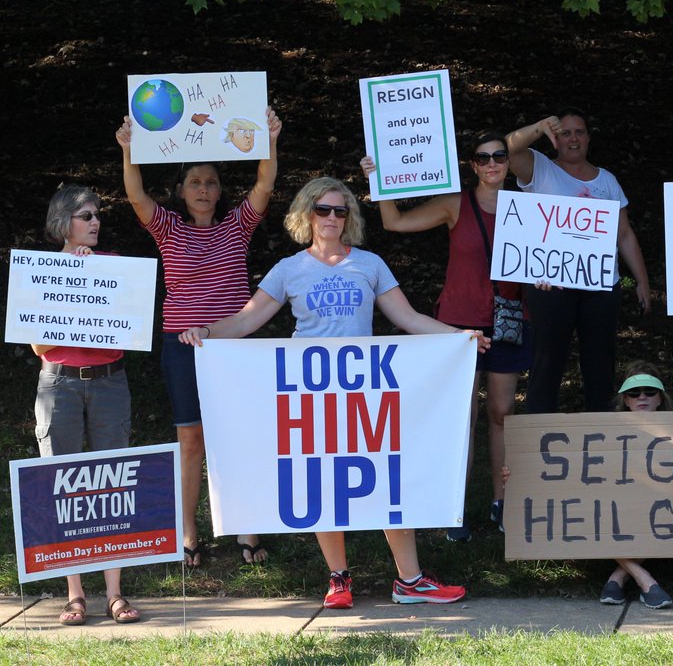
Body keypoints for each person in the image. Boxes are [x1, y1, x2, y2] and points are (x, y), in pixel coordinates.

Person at [179, 177, 486, 609]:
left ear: (349, 218)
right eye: (323, 210)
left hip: (364, 393)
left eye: (340, 211)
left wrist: (460, 336)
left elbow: (410, 319)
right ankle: (338, 579)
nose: (331, 218)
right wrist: (206, 332)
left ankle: (410, 581)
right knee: (323, 483)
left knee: (384, 479)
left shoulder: (370, 263)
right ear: (307, 214)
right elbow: (247, 320)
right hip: (311, 396)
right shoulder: (289, 269)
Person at [117, 108, 281, 568]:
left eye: (210, 182)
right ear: (181, 191)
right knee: (191, 439)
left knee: (241, 435)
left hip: (233, 347)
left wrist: (268, 140)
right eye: (195, 183)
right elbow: (134, 195)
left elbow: (264, 185)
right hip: (182, 347)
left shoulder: (238, 226)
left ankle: (246, 530)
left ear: (220, 190)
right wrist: (130, 150)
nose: (204, 190)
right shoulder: (167, 227)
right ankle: (189, 532)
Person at [360, 131, 532, 542]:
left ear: (509, 163)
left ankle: (503, 502)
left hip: (507, 322)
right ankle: (453, 508)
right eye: (483, 157)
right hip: (456, 326)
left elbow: (543, 262)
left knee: (502, 415)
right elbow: (394, 221)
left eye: (499, 157)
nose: (492, 163)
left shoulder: (528, 208)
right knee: (461, 418)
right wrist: (379, 180)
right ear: (472, 164)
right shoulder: (457, 204)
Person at [34, 186, 141, 626]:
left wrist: (92, 284)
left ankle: (115, 594)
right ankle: (74, 595)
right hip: (58, 385)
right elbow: (40, 343)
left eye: (97, 215)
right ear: (64, 222)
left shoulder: (115, 268)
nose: (95, 222)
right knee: (63, 486)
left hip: (109, 384)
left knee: (111, 486)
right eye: (85, 216)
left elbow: (127, 333)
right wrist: (67, 286)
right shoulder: (43, 271)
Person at [505, 110, 651, 413]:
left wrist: (642, 281)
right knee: (547, 363)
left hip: (601, 285)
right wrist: (539, 126)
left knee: (600, 365)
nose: (573, 138)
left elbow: (623, 235)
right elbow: (508, 149)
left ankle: (601, 439)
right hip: (550, 285)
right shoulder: (540, 169)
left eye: (580, 132)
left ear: (588, 138)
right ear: (554, 140)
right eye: (565, 133)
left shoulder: (607, 180)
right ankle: (537, 437)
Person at [597, 361, 673, 610]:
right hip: (616, 503)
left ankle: (617, 578)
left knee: (657, 510)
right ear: (626, 400)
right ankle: (645, 580)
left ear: (660, 398)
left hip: (659, 504)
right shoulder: (602, 432)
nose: (642, 397)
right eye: (634, 392)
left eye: (649, 391)